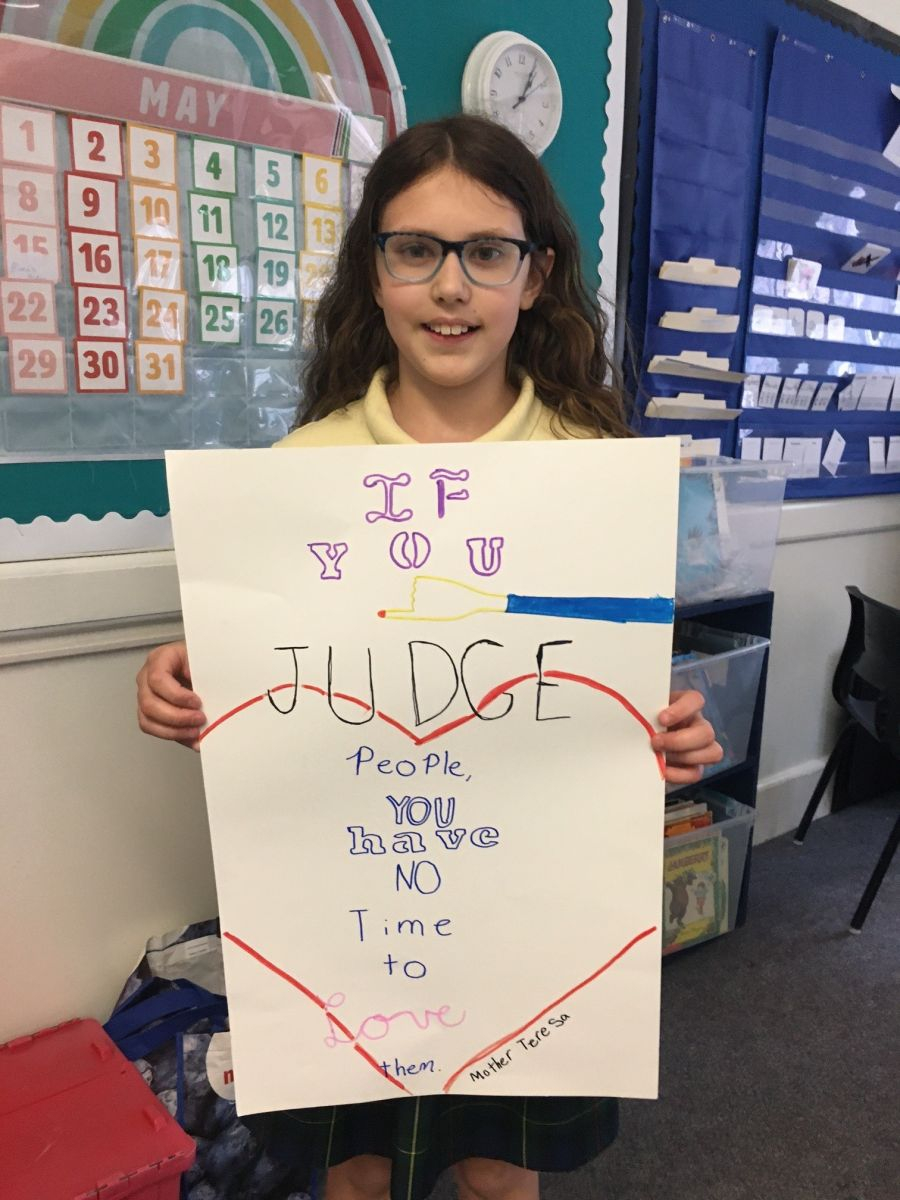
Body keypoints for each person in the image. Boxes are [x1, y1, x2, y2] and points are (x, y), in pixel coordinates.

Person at [137, 114, 723, 1200]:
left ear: (535, 276)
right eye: (417, 250)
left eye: (486, 253)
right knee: (353, 1174)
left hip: (527, 922)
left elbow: (618, 690)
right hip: (345, 914)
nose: (451, 286)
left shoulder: (591, 471)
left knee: (501, 1176)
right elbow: (264, 673)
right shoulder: (300, 471)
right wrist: (184, 675)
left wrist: (671, 729)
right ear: (377, 271)